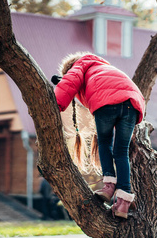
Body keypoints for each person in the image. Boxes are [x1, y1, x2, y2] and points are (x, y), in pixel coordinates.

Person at [53, 52, 145, 218]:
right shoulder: (106, 68)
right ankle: (123, 204)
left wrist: (56, 105)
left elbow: (70, 82)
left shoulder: (80, 65)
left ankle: (109, 187)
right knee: (121, 152)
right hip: (131, 103)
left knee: (104, 143)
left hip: (106, 104)